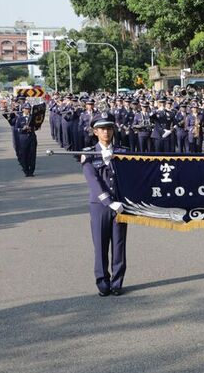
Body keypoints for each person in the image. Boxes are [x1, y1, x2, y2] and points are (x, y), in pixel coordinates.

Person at [81, 112, 128, 296]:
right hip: (100, 206)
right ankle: (103, 283)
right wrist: (109, 202)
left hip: (120, 205)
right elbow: (93, 181)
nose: (106, 132)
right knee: (100, 245)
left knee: (118, 245)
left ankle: (117, 283)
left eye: (109, 128)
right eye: (102, 129)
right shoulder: (88, 154)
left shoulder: (123, 152)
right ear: (95, 132)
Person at [14, 103, 37, 177]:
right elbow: (16, 129)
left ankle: (31, 171)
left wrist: (33, 128)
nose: (28, 110)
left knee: (32, 155)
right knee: (24, 155)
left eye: (29, 109)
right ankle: (26, 170)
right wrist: (22, 129)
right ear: (23, 109)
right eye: (27, 109)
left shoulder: (32, 117)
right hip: (23, 139)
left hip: (32, 137)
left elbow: (37, 126)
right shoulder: (19, 118)